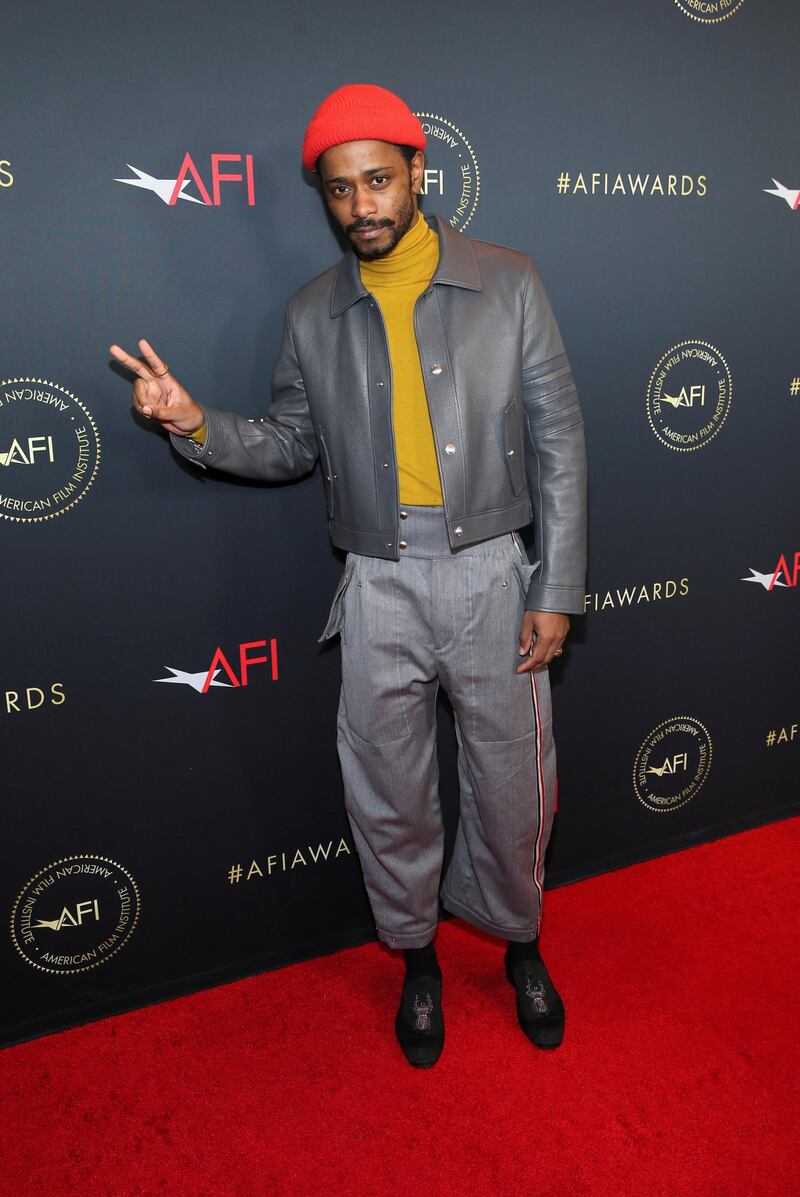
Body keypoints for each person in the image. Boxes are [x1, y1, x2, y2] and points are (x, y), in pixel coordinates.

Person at [109, 83, 587, 1069]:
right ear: (323, 199)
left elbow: (560, 443)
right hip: (375, 581)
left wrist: (556, 589)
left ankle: (519, 944)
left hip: (494, 572)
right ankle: (414, 957)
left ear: (417, 173)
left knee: (512, 784)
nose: (361, 204)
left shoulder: (508, 281)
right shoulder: (310, 314)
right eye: (339, 189)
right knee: (387, 788)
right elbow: (288, 443)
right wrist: (193, 423)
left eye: (377, 179)